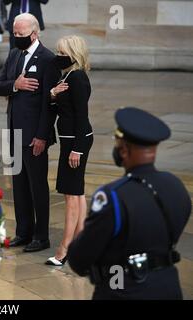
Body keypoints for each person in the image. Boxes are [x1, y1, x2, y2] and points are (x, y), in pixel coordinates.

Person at [67, 107, 192, 300]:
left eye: (118, 144)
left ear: (124, 150)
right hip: (168, 287)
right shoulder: (175, 186)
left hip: (122, 290)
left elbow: (79, 259)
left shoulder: (113, 196)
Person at [0, 13, 60, 252]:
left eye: (20, 34)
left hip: (34, 136)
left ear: (34, 33)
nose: (16, 37)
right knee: (19, 185)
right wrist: (15, 85)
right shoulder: (13, 55)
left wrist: (42, 136)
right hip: (15, 132)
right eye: (14, 33)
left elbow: (49, 104)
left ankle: (41, 237)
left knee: (37, 186)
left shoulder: (48, 60)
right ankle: (24, 231)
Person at [45, 35, 93, 266]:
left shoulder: (78, 78)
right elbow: (63, 107)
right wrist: (53, 94)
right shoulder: (69, 76)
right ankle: (81, 243)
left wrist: (77, 150)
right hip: (71, 140)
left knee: (71, 194)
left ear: (73, 55)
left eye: (62, 52)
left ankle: (64, 250)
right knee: (78, 192)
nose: (58, 56)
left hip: (76, 141)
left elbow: (82, 118)